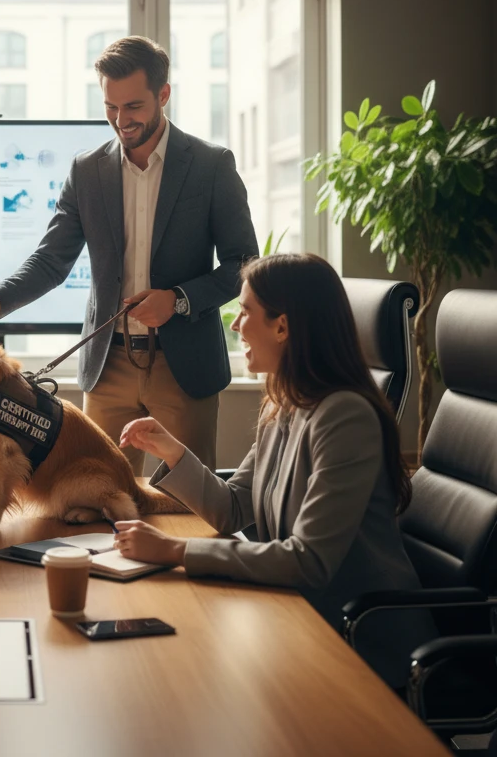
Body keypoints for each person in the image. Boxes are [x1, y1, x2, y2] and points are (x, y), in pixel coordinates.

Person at [114, 252, 430, 687]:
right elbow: (233, 508)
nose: (235, 325)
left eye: (245, 312)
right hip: (298, 616)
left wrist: (175, 551)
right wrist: (171, 451)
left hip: (363, 642)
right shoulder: (283, 403)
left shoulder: (345, 416)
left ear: (282, 327)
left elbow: (309, 561)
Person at [0, 36, 258, 470]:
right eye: (111, 106)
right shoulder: (86, 170)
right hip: (107, 365)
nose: (120, 120)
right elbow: (51, 260)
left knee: (188, 498)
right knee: (96, 492)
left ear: (163, 95)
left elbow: (243, 264)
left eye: (133, 106)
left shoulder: (211, 165)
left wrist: (178, 300)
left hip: (184, 367)